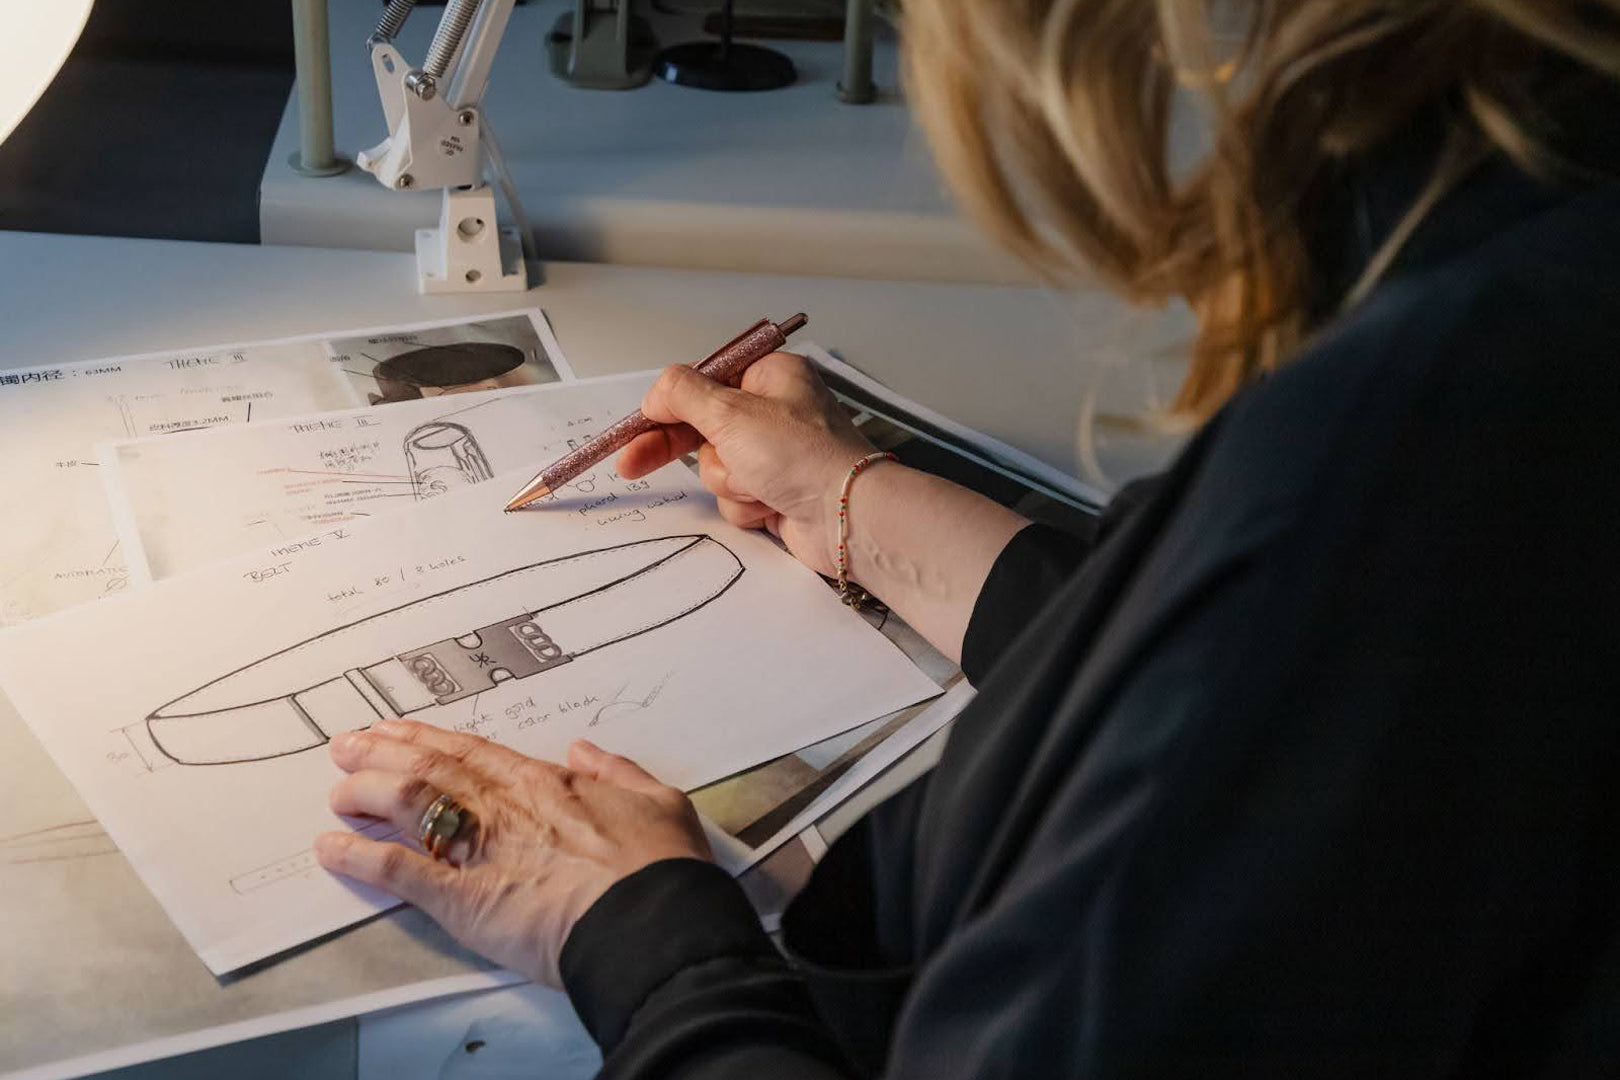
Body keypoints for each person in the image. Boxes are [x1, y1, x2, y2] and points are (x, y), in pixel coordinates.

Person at [314, 1, 1620, 1075]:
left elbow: (1289, 650)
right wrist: (848, 500)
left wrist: (639, 934)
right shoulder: (1534, 245)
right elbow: (1209, 663)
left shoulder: (1417, 439)